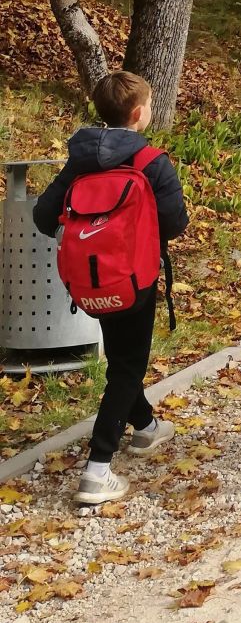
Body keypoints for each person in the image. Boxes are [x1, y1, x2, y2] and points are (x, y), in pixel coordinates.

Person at [34, 72, 189, 505]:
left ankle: (145, 429)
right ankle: (98, 470)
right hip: (134, 278)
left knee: (123, 357)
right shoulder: (151, 161)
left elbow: (45, 220)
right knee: (128, 366)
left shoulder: (79, 162)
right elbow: (176, 223)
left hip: (87, 280)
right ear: (139, 113)